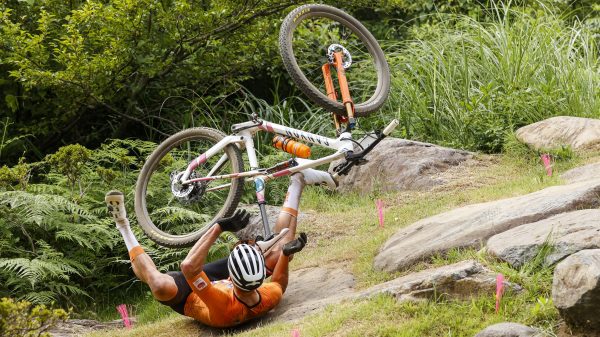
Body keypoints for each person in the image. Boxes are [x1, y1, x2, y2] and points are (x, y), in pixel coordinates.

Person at [105, 168, 336, 328]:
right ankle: (297, 181)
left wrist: (218, 227)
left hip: (193, 296)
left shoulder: (222, 304)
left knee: (159, 284)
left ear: (230, 279)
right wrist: (285, 254)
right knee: (279, 252)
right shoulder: (267, 296)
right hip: (241, 283)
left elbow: (188, 268)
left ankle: (123, 225)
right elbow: (279, 284)